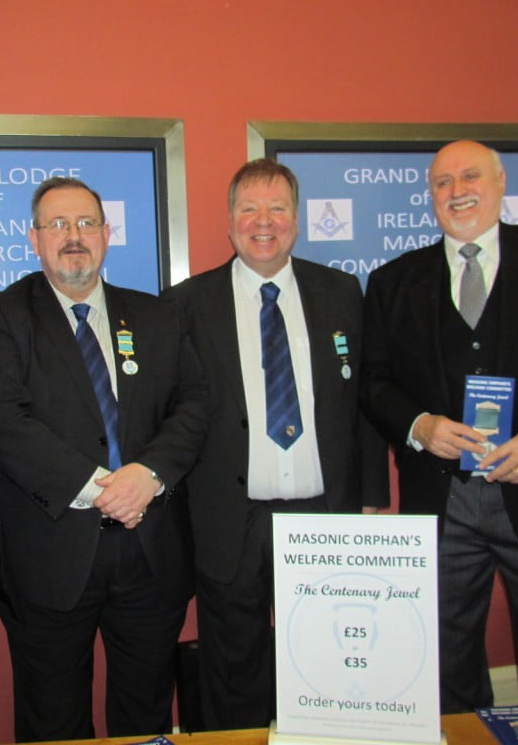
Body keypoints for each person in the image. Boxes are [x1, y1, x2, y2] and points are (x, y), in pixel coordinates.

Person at [361, 140, 518, 745]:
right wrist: (420, 426)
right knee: (446, 667)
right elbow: (375, 382)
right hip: (444, 505)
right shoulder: (394, 281)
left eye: (470, 176)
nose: (456, 190)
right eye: (442, 182)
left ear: (499, 183)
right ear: (430, 197)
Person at [0, 177, 209, 741]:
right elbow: (3, 419)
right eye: (57, 225)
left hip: (150, 552)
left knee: (146, 711)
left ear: (107, 234)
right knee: (53, 719)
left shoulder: (157, 316)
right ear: (34, 239)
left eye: (85, 224)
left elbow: (195, 404)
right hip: (51, 556)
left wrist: (146, 476)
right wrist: (103, 486)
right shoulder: (2, 313)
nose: (72, 236)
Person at [162, 158, 389, 730]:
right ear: (230, 219)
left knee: (326, 664)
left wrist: (369, 499)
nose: (263, 221)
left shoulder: (341, 292)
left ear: (298, 218)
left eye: (278, 208)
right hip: (228, 521)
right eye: (249, 208)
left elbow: (361, 399)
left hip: (324, 512)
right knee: (233, 672)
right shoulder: (186, 304)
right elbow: (174, 416)